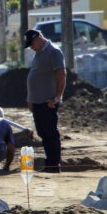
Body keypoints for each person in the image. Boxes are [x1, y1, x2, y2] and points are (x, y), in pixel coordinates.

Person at [24, 29, 66, 173]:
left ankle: (54, 165)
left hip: (48, 102)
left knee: (50, 133)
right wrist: (31, 99)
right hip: (38, 102)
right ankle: (50, 163)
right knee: (43, 133)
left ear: (38, 38)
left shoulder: (53, 52)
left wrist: (57, 97)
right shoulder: (39, 54)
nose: (31, 47)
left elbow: (61, 74)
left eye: (31, 44)